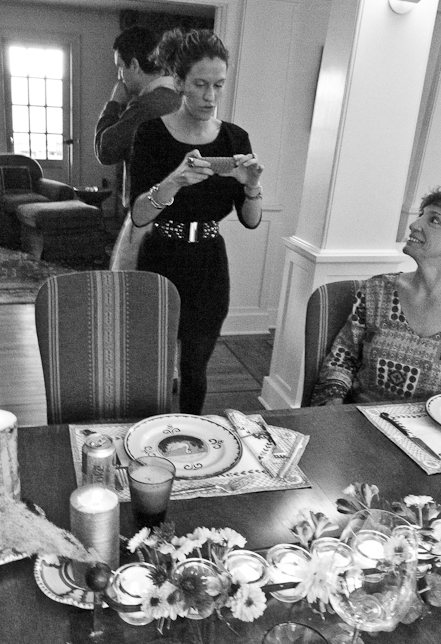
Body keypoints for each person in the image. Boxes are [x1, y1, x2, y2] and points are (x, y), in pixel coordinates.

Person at [130, 28, 264, 415]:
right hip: (160, 260)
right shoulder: (151, 135)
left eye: (218, 85)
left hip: (208, 264)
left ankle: (191, 436)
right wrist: (174, 180)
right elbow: (138, 214)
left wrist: (252, 186)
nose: (210, 96)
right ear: (179, 82)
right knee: (152, 368)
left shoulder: (235, 138)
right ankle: (147, 436)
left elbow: (251, 220)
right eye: (200, 84)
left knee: (195, 369)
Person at [311, 188, 441, 406]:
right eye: (421, 215)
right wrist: (332, 404)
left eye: (434, 220)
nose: (414, 225)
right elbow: (342, 360)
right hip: (360, 420)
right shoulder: (377, 290)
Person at [94, 24, 181, 209]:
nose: (119, 76)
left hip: (148, 212)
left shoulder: (146, 107)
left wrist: (114, 103)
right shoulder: (180, 98)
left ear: (134, 65)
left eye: (120, 67)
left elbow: (105, 150)